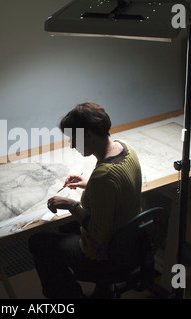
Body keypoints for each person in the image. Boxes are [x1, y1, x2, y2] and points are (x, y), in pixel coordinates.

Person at [28, 102, 142, 299]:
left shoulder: (104, 177)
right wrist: (88, 184)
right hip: (130, 238)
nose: (72, 145)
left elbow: (98, 235)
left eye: (74, 139)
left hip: (107, 251)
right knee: (65, 228)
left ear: (88, 134)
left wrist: (72, 206)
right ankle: (104, 290)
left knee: (38, 242)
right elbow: (117, 188)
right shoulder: (125, 147)